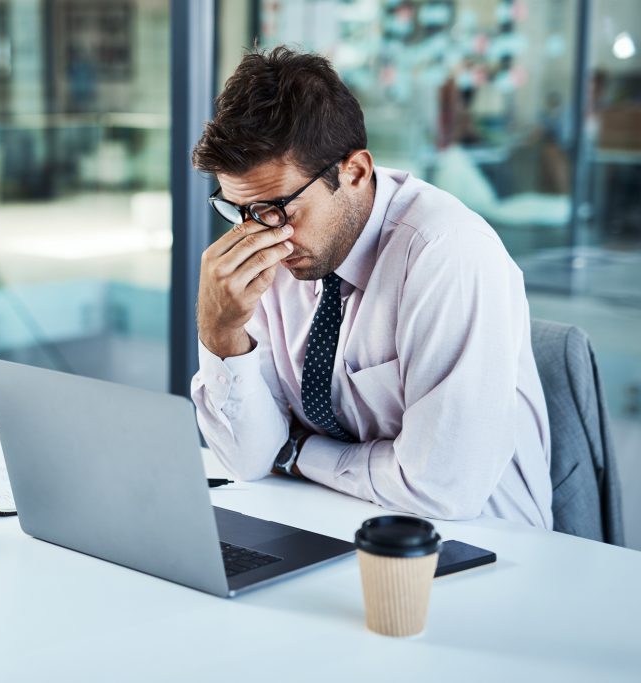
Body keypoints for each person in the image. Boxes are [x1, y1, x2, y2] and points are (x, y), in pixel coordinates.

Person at [190, 47, 553, 529]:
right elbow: (250, 458)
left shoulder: (447, 253)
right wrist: (222, 333)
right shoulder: (279, 248)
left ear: (355, 171)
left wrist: (299, 451)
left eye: (282, 209)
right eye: (244, 212)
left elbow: (441, 488)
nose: (263, 234)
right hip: (333, 520)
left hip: (481, 545)